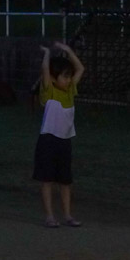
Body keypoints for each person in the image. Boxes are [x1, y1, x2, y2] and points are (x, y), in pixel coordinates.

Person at [33, 41, 85, 227]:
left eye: (69, 76)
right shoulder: (49, 92)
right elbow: (45, 72)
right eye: (65, 76)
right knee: (47, 180)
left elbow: (80, 69)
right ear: (55, 79)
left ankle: (68, 215)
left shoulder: (70, 91)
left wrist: (69, 51)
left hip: (64, 141)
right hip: (48, 140)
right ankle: (49, 216)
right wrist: (47, 55)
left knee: (65, 181)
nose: (69, 80)